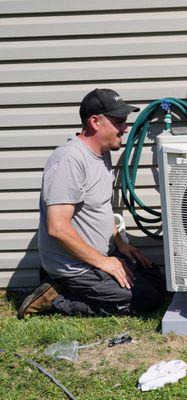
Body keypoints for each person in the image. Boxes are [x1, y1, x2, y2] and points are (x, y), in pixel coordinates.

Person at [18, 89, 166, 318]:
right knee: (144, 299)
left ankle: (77, 286)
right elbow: (58, 228)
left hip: (100, 256)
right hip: (75, 267)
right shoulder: (69, 160)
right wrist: (105, 263)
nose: (125, 128)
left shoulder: (101, 154)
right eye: (119, 122)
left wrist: (120, 243)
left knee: (156, 279)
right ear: (95, 122)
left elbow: (100, 208)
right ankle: (57, 297)